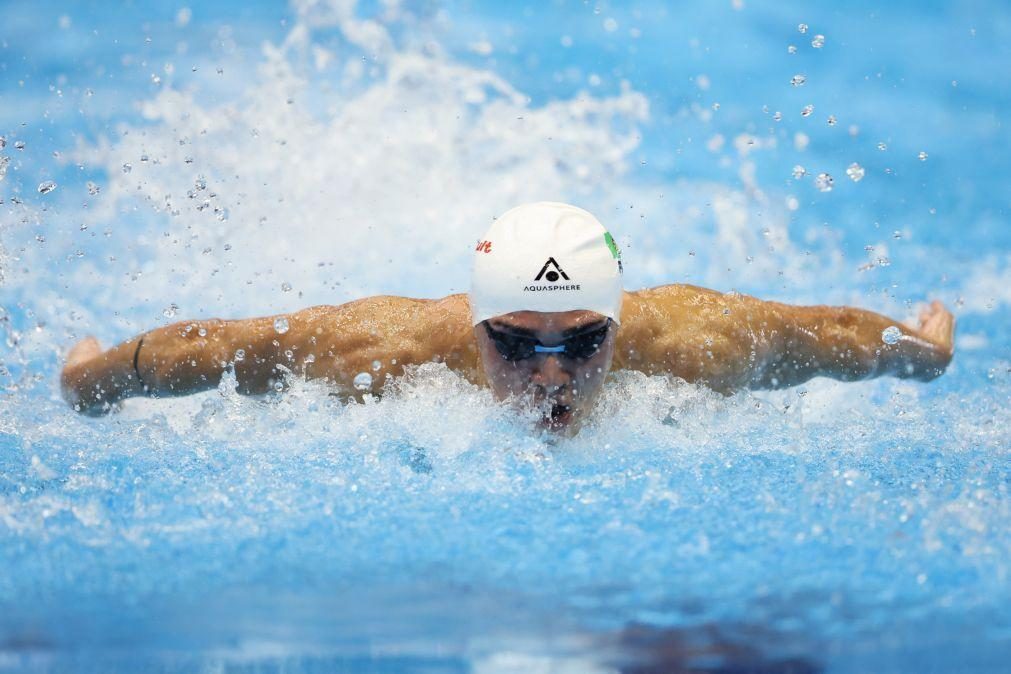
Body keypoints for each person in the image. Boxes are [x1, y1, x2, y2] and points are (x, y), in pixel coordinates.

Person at [60, 202, 955, 431]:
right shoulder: (382, 351)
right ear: (473, 325)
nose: (554, 374)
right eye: (518, 346)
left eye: (583, 342)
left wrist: (922, 357)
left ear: (618, 324)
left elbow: (835, 336)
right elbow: (204, 351)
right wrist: (90, 379)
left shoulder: (694, 342)